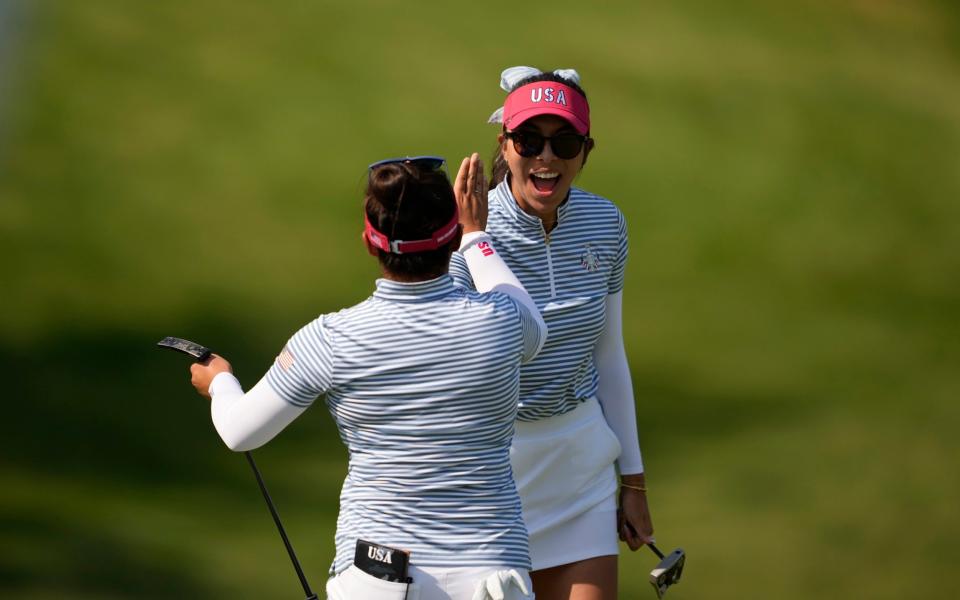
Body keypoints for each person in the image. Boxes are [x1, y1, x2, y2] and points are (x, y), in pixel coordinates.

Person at [188, 154, 548, 600]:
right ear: (450, 237)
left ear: (369, 242)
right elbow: (534, 323)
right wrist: (476, 236)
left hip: (377, 579)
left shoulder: (330, 339)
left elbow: (240, 431)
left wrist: (219, 380)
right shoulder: (504, 320)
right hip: (493, 576)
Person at [448, 67, 654, 600]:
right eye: (529, 140)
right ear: (505, 144)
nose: (546, 157)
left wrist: (632, 481)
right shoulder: (468, 229)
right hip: (492, 474)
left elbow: (609, 356)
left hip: (579, 470)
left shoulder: (606, 224)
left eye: (564, 142)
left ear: (586, 150)